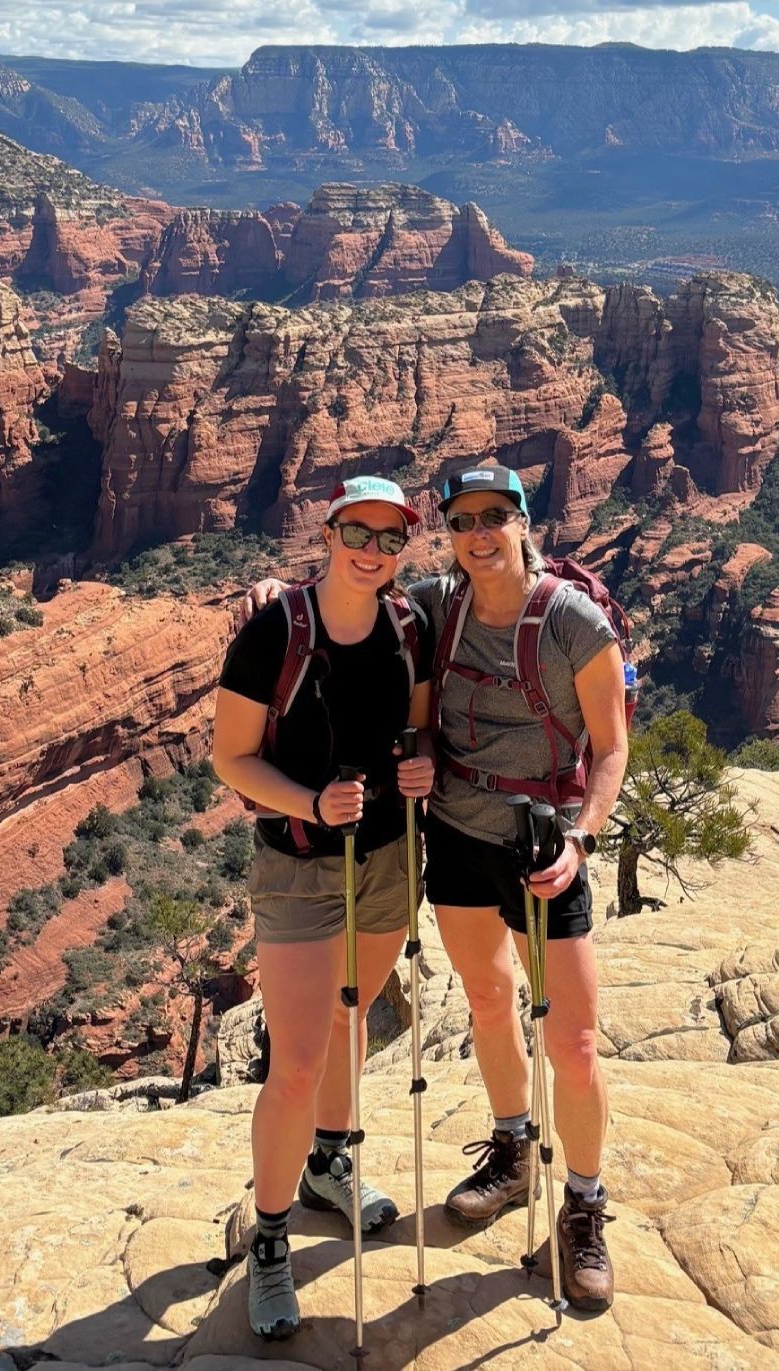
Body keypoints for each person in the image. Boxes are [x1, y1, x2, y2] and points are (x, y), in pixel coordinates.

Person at [243, 464, 629, 1311]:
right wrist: (276, 591)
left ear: (526, 521)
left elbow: (612, 746)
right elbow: (349, 599)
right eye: (464, 520)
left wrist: (583, 836)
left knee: (573, 1044)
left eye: (498, 515)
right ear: (448, 533)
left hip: (544, 847)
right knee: (489, 998)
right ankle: (512, 1148)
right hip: (454, 839)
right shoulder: (435, 604)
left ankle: (587, 1205)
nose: (481, 532)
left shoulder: (573, 620)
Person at [211, 475, 436, 1341]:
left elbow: (415, 728)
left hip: (385, 859)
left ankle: (329, 1167)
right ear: (331, 529)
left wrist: (418, 766)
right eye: (357, 531)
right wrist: (310, 804)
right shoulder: (275, 631)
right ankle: (270, 1240)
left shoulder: (407, 626)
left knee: (352, 1021)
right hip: (300, 867)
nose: (371, 550)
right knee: (297, 1061)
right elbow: (230, 757)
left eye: (389, 537)